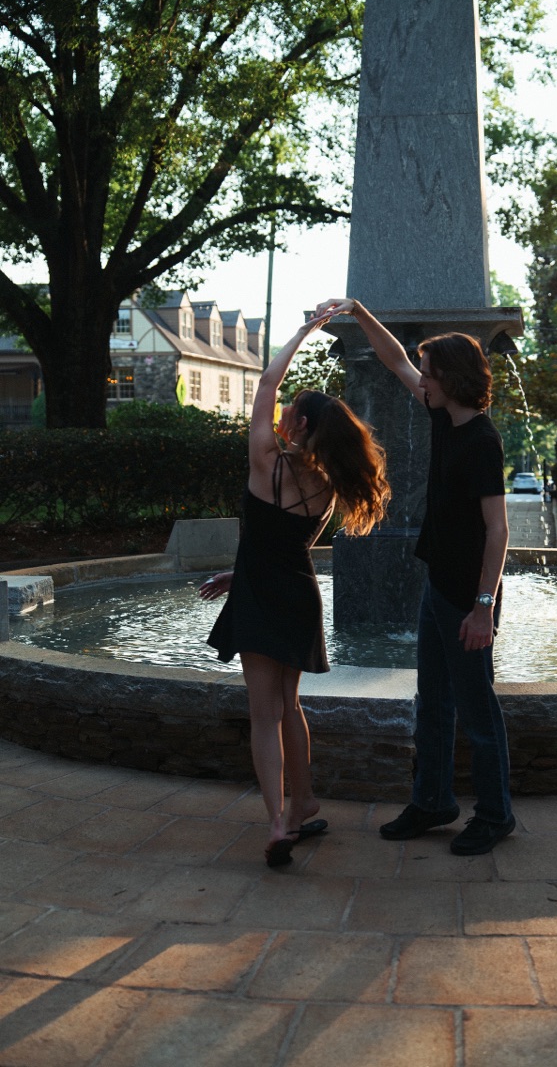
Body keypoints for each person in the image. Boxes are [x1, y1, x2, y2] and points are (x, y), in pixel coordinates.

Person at [314, 298, 514, 856]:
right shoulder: (443, 417)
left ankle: (496, 814)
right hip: (438, 588)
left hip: (466, 596)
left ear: (449, 379)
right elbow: (396, 358)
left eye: (429, 374)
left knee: (478, 709)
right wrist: (358, 310)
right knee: (433, 702)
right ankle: (433, 801)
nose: (419, 380)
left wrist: (483, 606)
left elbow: (497, 531)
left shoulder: (481, 442)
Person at [200, 315, 391, 868]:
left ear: (299, 422)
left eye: (287, 414)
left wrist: (306, 332)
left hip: (265, 598)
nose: (277, 415)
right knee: (289, 705)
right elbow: (282, 547)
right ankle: (304, 798)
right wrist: (239, 573)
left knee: (264, 714)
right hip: (297, 592)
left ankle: (278, 823)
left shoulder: (267, 464)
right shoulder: (330, 483)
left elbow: (265, 384)